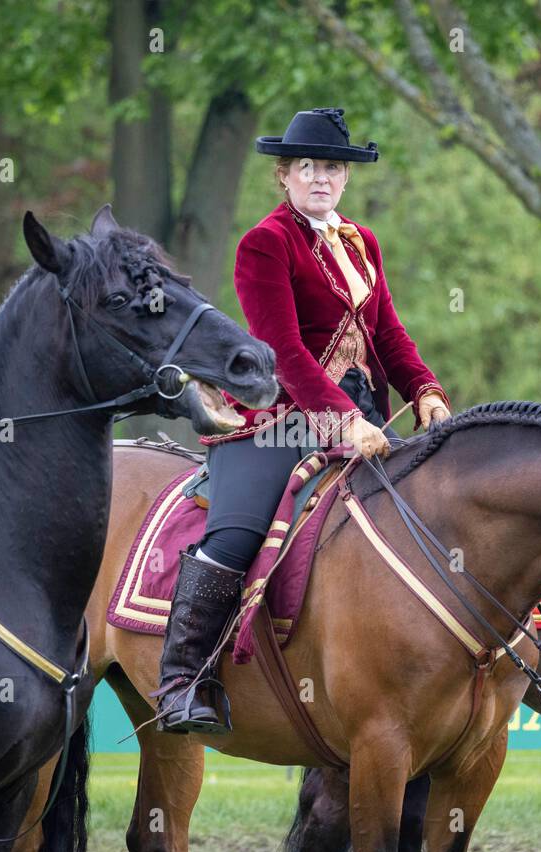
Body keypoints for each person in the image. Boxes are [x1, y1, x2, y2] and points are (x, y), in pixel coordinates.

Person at [154, 107, 451, 734]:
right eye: (308, 167)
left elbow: (389, 335)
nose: (321, 178)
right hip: (280, 421)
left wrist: (424, 389)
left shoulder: (362, 241)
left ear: (345, 179)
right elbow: (282, 351)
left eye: (333, 168)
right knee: (236, 534)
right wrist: (339, 419)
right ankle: (183, 680)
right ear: (284, 175)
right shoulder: (265, 243)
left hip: (365, 418)